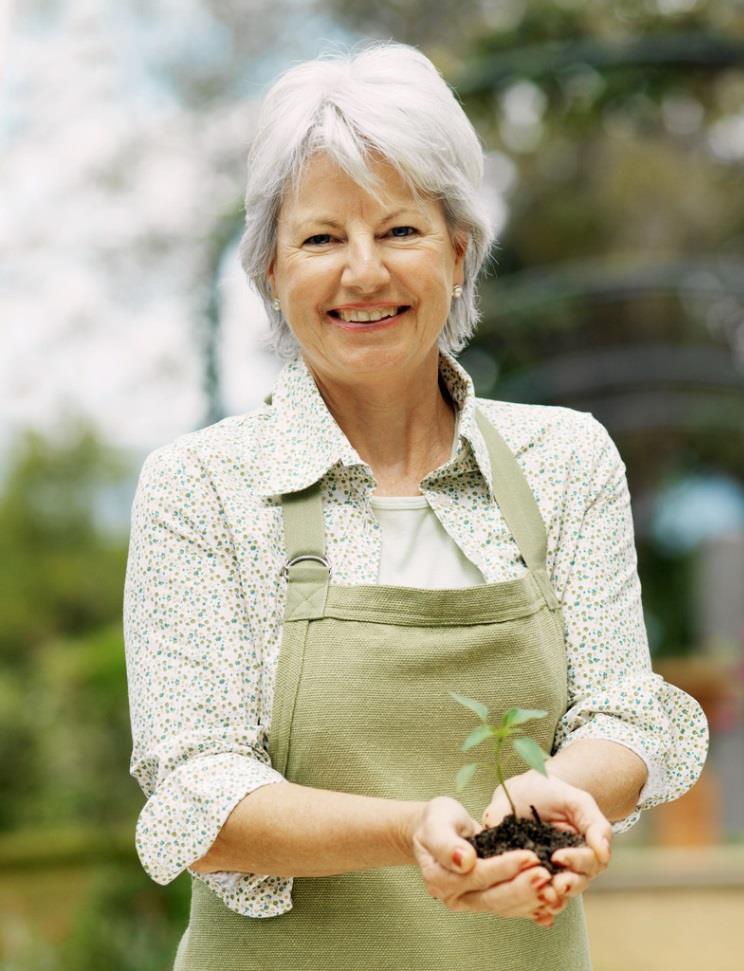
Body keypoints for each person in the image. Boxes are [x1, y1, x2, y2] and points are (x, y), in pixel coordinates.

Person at [123, 41, 709, 971]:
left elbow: (629, 714)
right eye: (321, 238)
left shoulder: (563, 460)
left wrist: (551, 802)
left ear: (458, 250)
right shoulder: (202, 487)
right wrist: (413, 833)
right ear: (271, 271)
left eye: (399, 230)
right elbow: (196, 796)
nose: (363, 273)